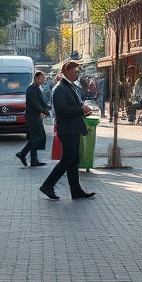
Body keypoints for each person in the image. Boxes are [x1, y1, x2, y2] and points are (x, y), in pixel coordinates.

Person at [39, 60, 95, 201]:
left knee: (74, 160)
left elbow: (73, 105)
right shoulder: (60, 88)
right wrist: (80, 110)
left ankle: (76, 190)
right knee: (68, 159)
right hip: (67, 129)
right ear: (67, 71)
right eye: (75, 71)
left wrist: (83, 109)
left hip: (72, 128)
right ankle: (48, 185)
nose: (77, 74)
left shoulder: (69, 86)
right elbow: (62, 110)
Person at [16, 70, 49, 167]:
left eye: (43, 79)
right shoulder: (32, 89)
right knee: (38, 136)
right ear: (36, 78)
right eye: (41, 79)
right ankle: (22, 153)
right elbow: (35, 103)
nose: (43, 81)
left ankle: (34, 160)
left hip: (35, 115)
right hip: (33, 116)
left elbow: (40, 102)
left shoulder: (36, 88)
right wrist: (44, 111)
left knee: (34, 137)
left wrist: (46, 108)